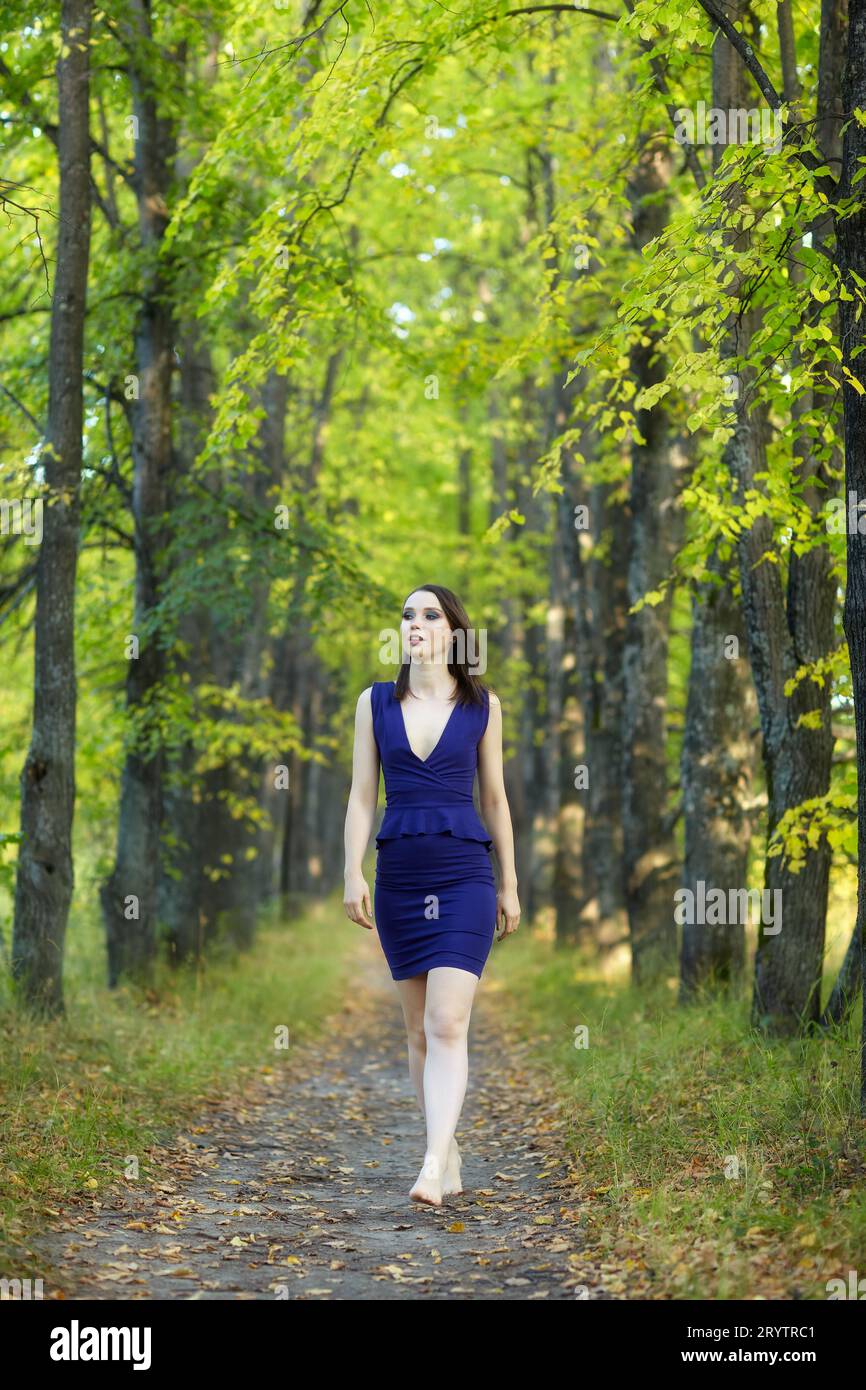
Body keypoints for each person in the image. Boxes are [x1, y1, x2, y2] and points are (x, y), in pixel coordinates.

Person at [343, 583, 520, 1207]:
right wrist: (351, 871)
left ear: (453, 631)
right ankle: (446, 1147)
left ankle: (429, 1163)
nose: (415, 624)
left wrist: (510, 884)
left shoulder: (483, 706)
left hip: (465, 875)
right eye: (407, 615)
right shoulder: (373, 703)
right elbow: (363, 796)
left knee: (448, 1022)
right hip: (400, 877)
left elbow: (495, 799)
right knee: (417, 1031)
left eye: (429, 615)